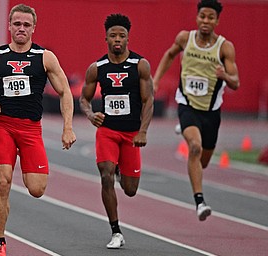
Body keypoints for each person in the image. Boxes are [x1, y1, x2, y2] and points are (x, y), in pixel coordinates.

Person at [0, 4, 76, 255]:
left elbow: (65, 92)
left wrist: (68, 128)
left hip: (31, 130)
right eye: (17, 24)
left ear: (33, 28)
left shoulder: (45, 57)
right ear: (9, 26)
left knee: (37, 189)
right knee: (3, 181)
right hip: (5, 127)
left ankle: (6, 208)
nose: (21, 28)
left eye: (26, 25)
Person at [153, 0, 239, 221]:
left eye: (211, 17)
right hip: (187, 104)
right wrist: (156, 80)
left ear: (217, 21)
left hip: (211, 111)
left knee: (203, 162)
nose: (205, 21)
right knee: (194, 147)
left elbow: (236, 82)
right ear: (197, 17)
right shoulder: (185, 38)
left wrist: (225, 76)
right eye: (202, 16)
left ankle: (186, 128)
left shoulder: (224, 47)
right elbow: (169, 55)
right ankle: (200, 202)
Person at [79, 13, 154, 248]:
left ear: (128, 39)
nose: (118, 39)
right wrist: (91, 115)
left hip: (131, 134)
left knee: (130, 190)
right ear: (106, 39)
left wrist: (142, 131)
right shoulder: (97, 68)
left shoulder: (139, 65)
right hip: (107, 131)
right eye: (113, 35)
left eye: (122, 35)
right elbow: (84, 98)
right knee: (105, 175)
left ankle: (122, 168)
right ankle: (116, 231)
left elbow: (148, 99)